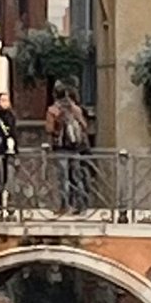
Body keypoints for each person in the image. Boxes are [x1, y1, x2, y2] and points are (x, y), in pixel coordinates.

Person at [46, 82, 92, 210]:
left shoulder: (53, 110)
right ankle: (81, 204)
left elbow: (49, 129)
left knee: (63, 178)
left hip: (60, 148)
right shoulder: (75, 109)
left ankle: (64, 206)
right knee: (77, 177)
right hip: (75, 147)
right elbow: (84, 125)